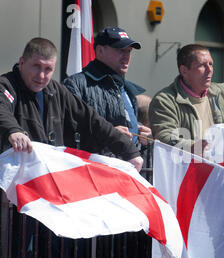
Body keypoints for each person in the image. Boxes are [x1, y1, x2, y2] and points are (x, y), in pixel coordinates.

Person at [0, 37, 143, 171]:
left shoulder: (57, 91)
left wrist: (129, 151)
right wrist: (14, 131)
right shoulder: (6, 86)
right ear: (22, 62)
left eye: (48, 69)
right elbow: (2, 110)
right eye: (36, 66)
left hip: (48, 177)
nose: (41, 75)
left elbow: (92, 120)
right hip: (12, 180)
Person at [64, 27, 152, 151]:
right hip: (95, 167)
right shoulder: (76, 84)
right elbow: (68, 132)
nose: (126, 56)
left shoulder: (127, 90)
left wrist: (143, 140)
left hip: (127, 167)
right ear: (100, 51)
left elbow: (129, 143)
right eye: (121, 50)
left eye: (129, 51)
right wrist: (108, 135)